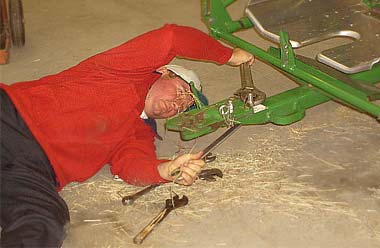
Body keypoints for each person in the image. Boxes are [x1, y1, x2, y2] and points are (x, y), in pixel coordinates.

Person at [0, 24, 254, 247]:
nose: (178, 103)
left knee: (44, 221)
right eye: (181, 91)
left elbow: (132, 165)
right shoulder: (122, 71)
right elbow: (173, 37)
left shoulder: (140, 133)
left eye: (185, 106)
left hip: (31, 172)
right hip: (11, 115)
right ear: (164, 72)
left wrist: (165, 170)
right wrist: (228, 55)